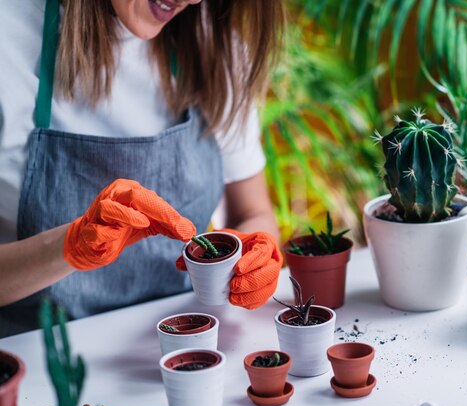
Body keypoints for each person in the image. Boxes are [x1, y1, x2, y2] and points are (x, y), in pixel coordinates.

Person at [0, 0, 285, 337]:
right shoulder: (9, 40)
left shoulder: (212, 42)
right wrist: (69, 245)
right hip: (43, 362)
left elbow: (253, 212)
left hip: (186, 346)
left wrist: (256, 253)